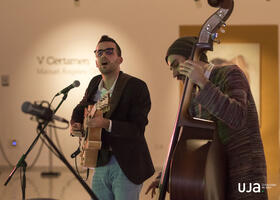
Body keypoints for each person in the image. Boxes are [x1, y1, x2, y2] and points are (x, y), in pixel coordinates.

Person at [146, 36, 267, 200]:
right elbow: (190, 143)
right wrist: (166, 175)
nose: (174, 73)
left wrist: (203, 81)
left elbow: (237, 117)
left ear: (193, 58)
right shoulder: (195, 94)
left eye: (176, 65)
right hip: (217, 175)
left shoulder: (231, 74)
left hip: (245, 171)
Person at [71, 35, 155, 200]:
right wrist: (75, 123)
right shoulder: (95, 83)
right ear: (96, 61)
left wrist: (106, 123)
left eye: (109, 52)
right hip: (99, 160)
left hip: (126, 163)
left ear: (119, 59)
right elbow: (82, 107)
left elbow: (137, 129)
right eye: (99, 52)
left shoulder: (136, 86)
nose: (103, 56)